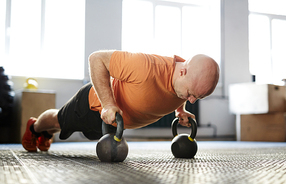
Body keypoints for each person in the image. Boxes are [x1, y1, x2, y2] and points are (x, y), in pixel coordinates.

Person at [22, 50, 220, 152]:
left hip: (113, 124)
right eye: (191, 94)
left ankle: (44, 132)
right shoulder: (146, 66)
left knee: (75, 131)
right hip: (93, 105)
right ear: (183, 72)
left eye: (197, 98)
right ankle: (35, 128)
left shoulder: (182, 82)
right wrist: (108, 104)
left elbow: (176, 94)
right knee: (58, 121)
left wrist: (180, 110)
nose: (192, 100)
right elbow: (96, 59)